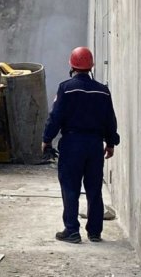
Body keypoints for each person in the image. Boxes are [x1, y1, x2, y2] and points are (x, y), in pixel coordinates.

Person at [42, 46, 120, 244]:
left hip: (72, 144)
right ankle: (95, 232)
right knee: (94, 188)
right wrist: (111, 143)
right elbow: (110, 120)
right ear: (91, 66)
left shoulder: (66, 88)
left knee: (70, 187)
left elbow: (55, 117)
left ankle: (72, 231)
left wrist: (47, 139)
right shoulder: (103, 91)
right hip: (94, 145)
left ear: (72, 66)